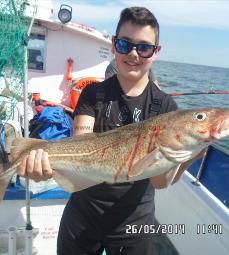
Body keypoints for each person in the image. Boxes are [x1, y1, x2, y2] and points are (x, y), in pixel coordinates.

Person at [18, 7, 202, 254]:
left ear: (156, 52)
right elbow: (81, 147)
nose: (134, 54)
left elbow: (159, 181)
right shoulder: (93, 94)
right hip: (83, 217)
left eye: (144, 47)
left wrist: (190, 155)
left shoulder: (166, 107)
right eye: (125, 44)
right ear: (115, 44)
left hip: (135, 224)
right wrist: (46, 166)